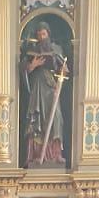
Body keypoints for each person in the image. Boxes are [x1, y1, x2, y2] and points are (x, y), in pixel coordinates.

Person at [22, 25, 68, 167]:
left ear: (48, 34)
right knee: (37, 119)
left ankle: (55, 154)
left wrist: (63, 69)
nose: (42, 37)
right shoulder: (33, 51)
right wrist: (33, 65)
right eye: (39, 34)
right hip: (37, 88)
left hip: (51, 87)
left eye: (44, 34)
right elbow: (24, 70)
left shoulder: (56, 49)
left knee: (56, 118)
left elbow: (65, 69)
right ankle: (35, 154)